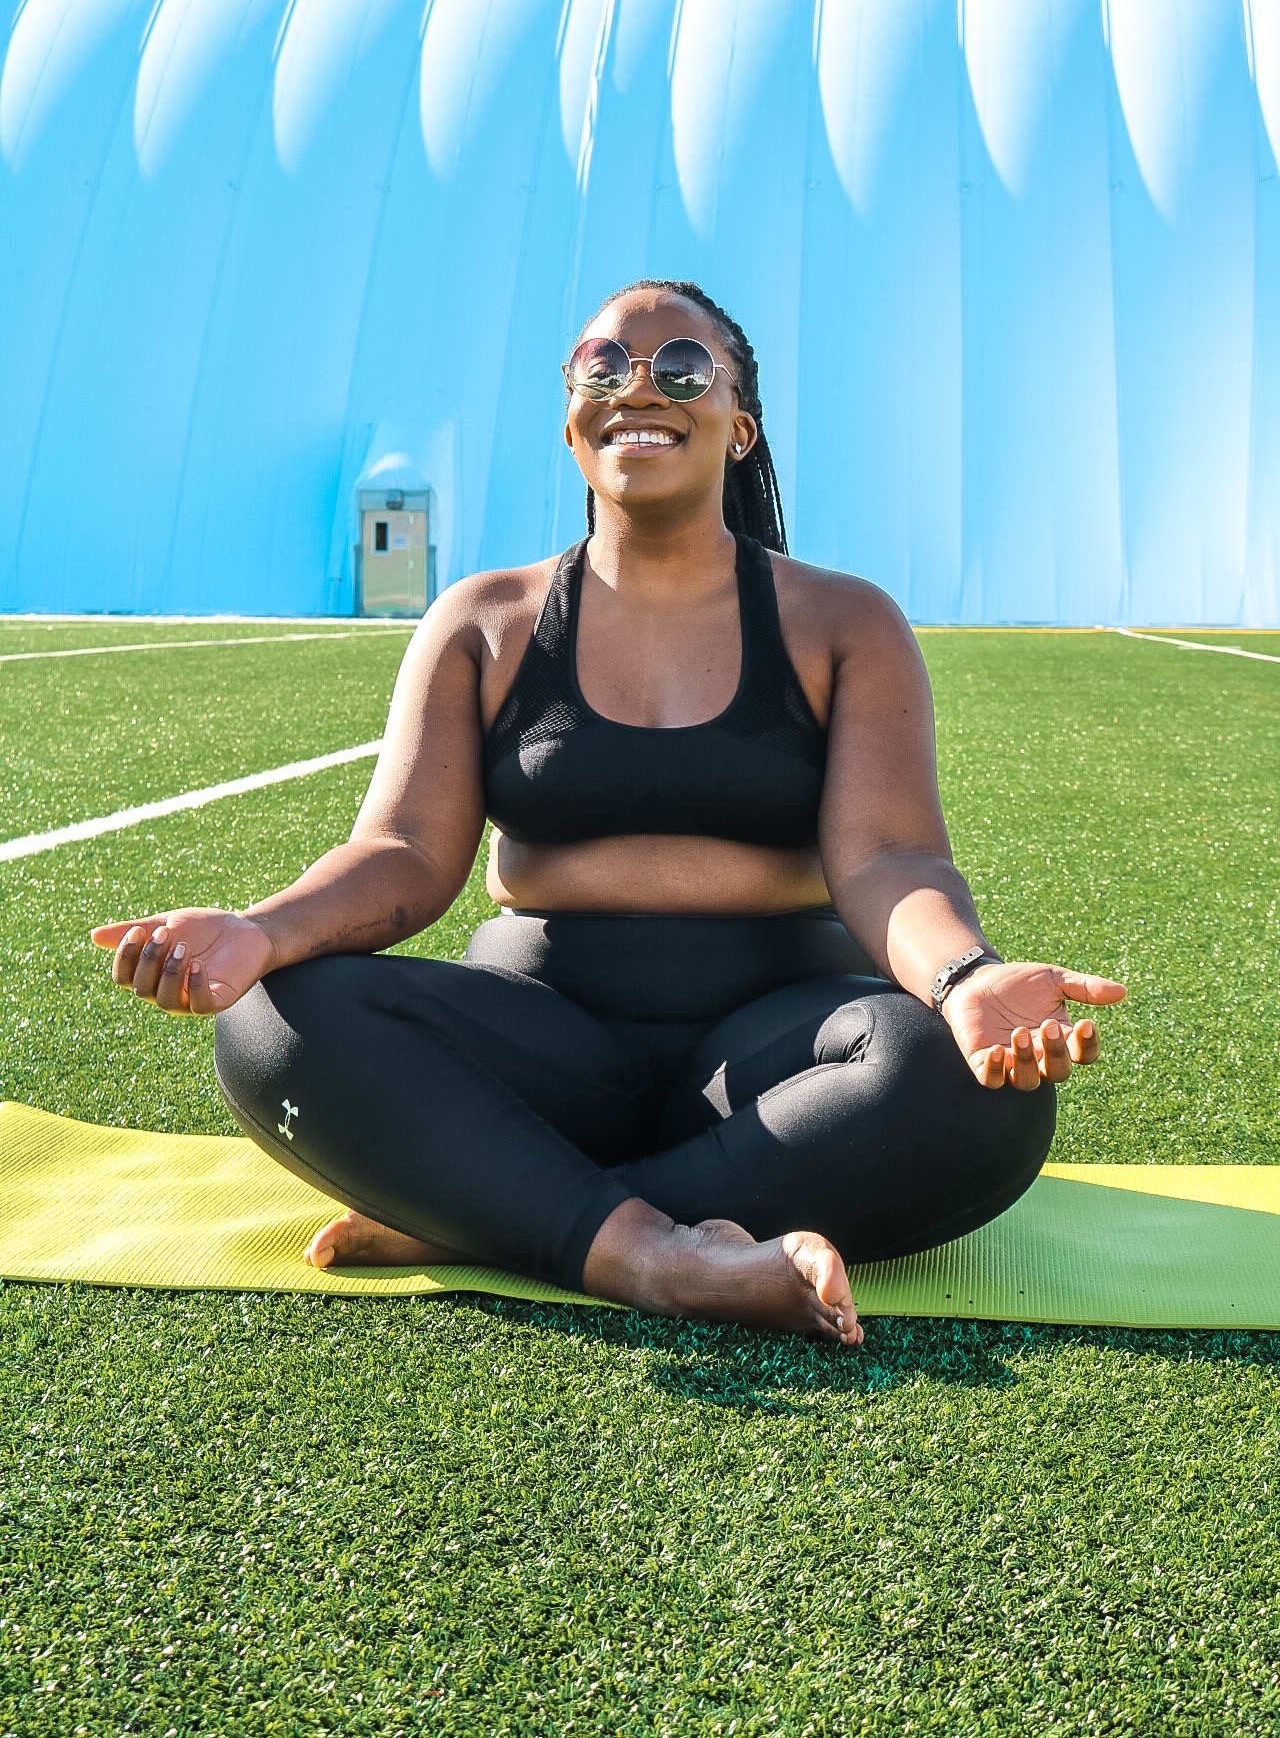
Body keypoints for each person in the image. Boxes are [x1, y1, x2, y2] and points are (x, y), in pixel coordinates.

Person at [93, 279, 1126, 1346]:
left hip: (778, 1054)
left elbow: (887, 859)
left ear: (738, 427)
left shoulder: (843, 622)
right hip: (547, 1041)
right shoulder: (482, 620)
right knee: (274, 1022)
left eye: (681, 367)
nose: (640, 386)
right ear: (571, 415)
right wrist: (263, 930)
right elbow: (402, 855)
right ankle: (654, 1256)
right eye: (603, 365)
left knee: (974, 1086)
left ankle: (496, 1208)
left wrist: (963, 978)